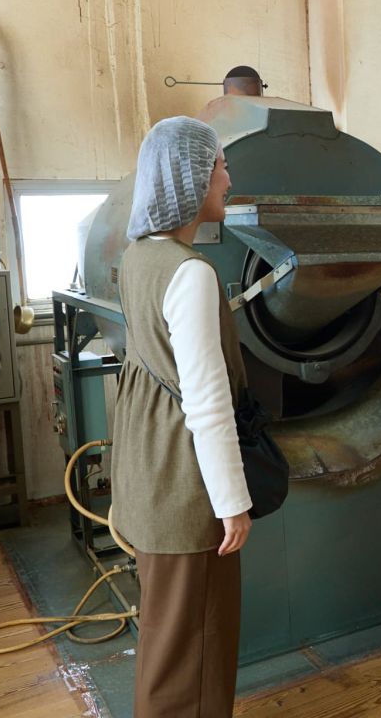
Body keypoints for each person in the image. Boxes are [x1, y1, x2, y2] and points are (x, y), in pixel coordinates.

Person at [112, 116, 252, 715]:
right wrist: (232, 503)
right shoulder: (191, 273)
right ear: (191, 176)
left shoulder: (137, 258)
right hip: (184, 489)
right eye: (218, 164)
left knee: (168, 646)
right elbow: (207, 402)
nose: (227, 176)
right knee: (195, 657)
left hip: (146, 475)